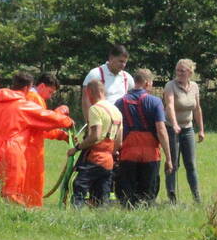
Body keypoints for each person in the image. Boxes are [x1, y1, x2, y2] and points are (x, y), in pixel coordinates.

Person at [0, 71, 73, 206]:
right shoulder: (23, 105)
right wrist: (67, 120)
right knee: (13, 192)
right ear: (28, 88)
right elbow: (47, 117)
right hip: (12, 151)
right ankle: (18, 220)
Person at [114, 69, 173, 206]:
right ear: (147, 83)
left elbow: (116, 130)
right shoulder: (155, 102)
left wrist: (114, 151)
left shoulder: (120, 102)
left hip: (128, 152)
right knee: (147, 195)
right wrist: (169, 158)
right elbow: (161, 130)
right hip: (150, 153)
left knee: (127, 195)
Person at [69, 79, 123, 207]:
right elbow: (119, 141)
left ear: (89, 92)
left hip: (95, 157)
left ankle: (77, 212)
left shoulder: (95, 109)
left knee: (79, 185)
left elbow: (95, 136)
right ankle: (101, 216)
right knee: (102, 192)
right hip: (109, 160)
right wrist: (110, 153)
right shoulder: (117, 111)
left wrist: (76, 148)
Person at [22, 72, 70, 207]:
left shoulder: (35, 98)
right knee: (31, 181)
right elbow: (43, 124)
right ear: (42, 86)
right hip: (29, 147)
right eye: (50, 92)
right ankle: (29, 208)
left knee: (33, 181)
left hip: (32, 145)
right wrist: (59, 114)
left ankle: (30, 206)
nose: (51, 96)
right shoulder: (33, 98)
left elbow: (42, 129)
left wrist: (61, 135)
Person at [163, 58, 205, 203]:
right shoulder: (170, 85)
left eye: (183, 70)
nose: (179, 73)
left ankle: (197, 197)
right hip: (171, 128)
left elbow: (197, 108)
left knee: (191, 164)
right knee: (173, 164)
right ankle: (172, 197)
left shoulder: (194, 86)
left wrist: (201, 130)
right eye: (178, 70)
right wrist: (174, 124)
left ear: (190, 72)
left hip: (188, 129)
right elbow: (169, 106)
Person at [81, 44, 134, 122]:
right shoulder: (95, 74)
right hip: (101, 122)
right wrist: (90, 122)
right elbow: (86, 100)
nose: (123, 65)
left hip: (122, 123)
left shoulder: (127, 78)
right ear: (111, 58)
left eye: (125, 62)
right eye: (121, 61)